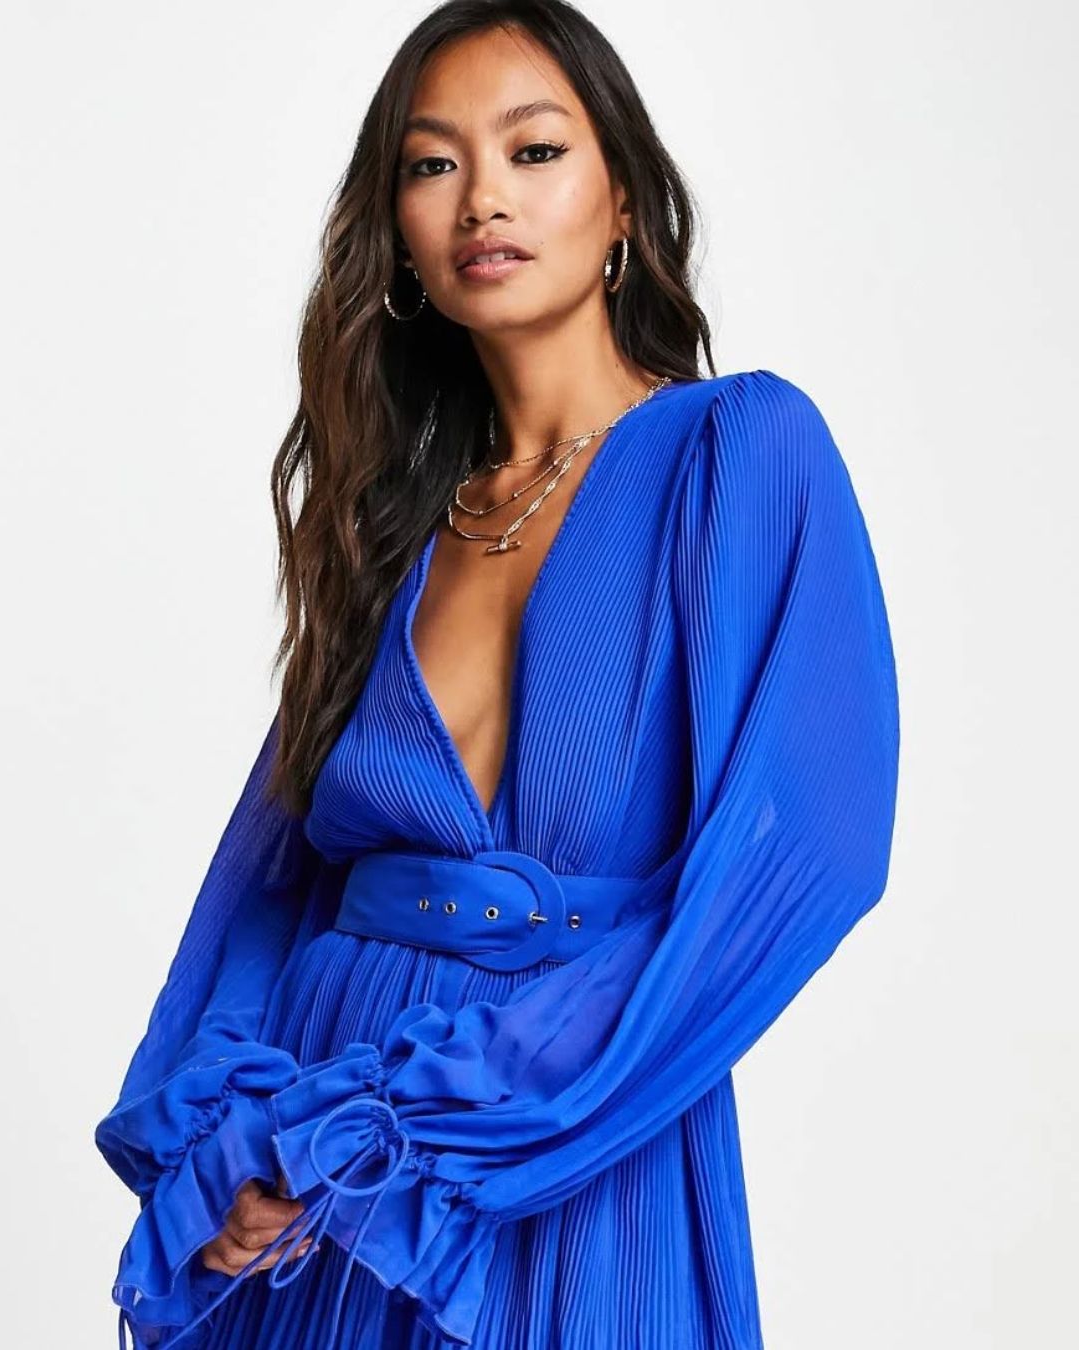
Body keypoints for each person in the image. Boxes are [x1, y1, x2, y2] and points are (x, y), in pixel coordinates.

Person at [94, 2, 901, 1347]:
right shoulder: (390, 529)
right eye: (433, 163)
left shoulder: (737, 453)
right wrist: (231, 1134)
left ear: (623, 198)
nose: (482, 199)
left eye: (533, 151)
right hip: (307, 1176)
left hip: (553, 1149)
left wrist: (416, 1125)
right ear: (399, 234)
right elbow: (267, 894)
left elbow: (801, 852)